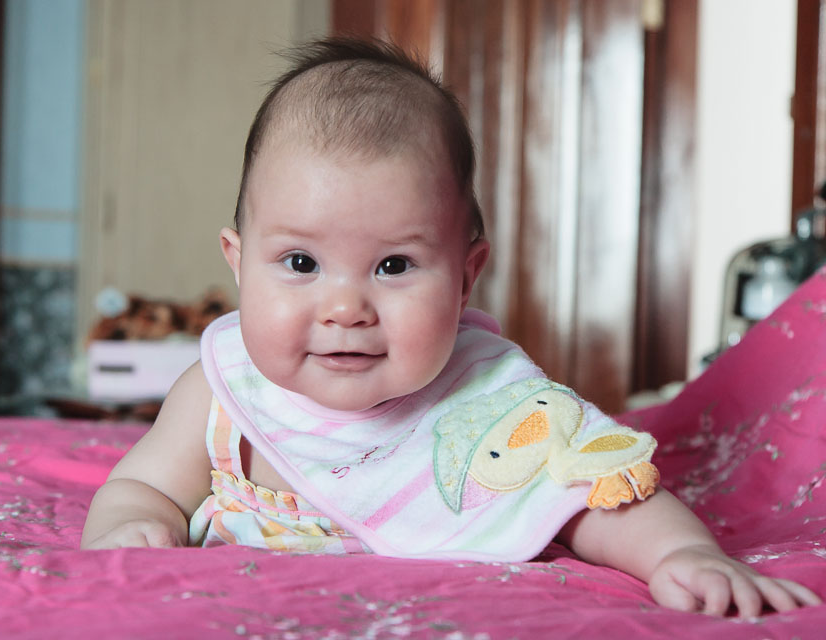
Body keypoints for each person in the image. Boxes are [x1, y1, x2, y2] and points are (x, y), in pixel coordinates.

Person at [81, 37, 821, 617]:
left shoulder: (488, 401)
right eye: (301, 262)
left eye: (394, 266)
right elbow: (143, 488)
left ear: (466, 278)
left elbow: (593, 492)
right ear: (239, 264)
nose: (346, 308)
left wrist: (682, 555)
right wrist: (135, 525)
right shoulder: (221, 390)